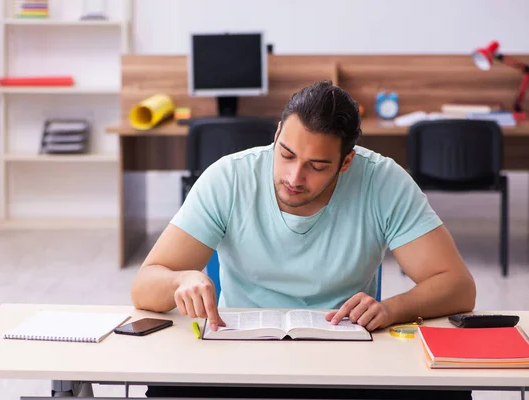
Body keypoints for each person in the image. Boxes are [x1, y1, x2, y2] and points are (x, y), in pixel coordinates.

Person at [130, 80, 477, 400]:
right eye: (286, 155)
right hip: (243, 356)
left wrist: (390, 309)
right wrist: (182, 278)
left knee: (448, 390)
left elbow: (458, 287)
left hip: (349, 359)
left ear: (346, 162)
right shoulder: (228, 178)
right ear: (278, 133)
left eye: (317, 165)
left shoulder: (383, 182)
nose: (294, 177)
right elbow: (144, 286)